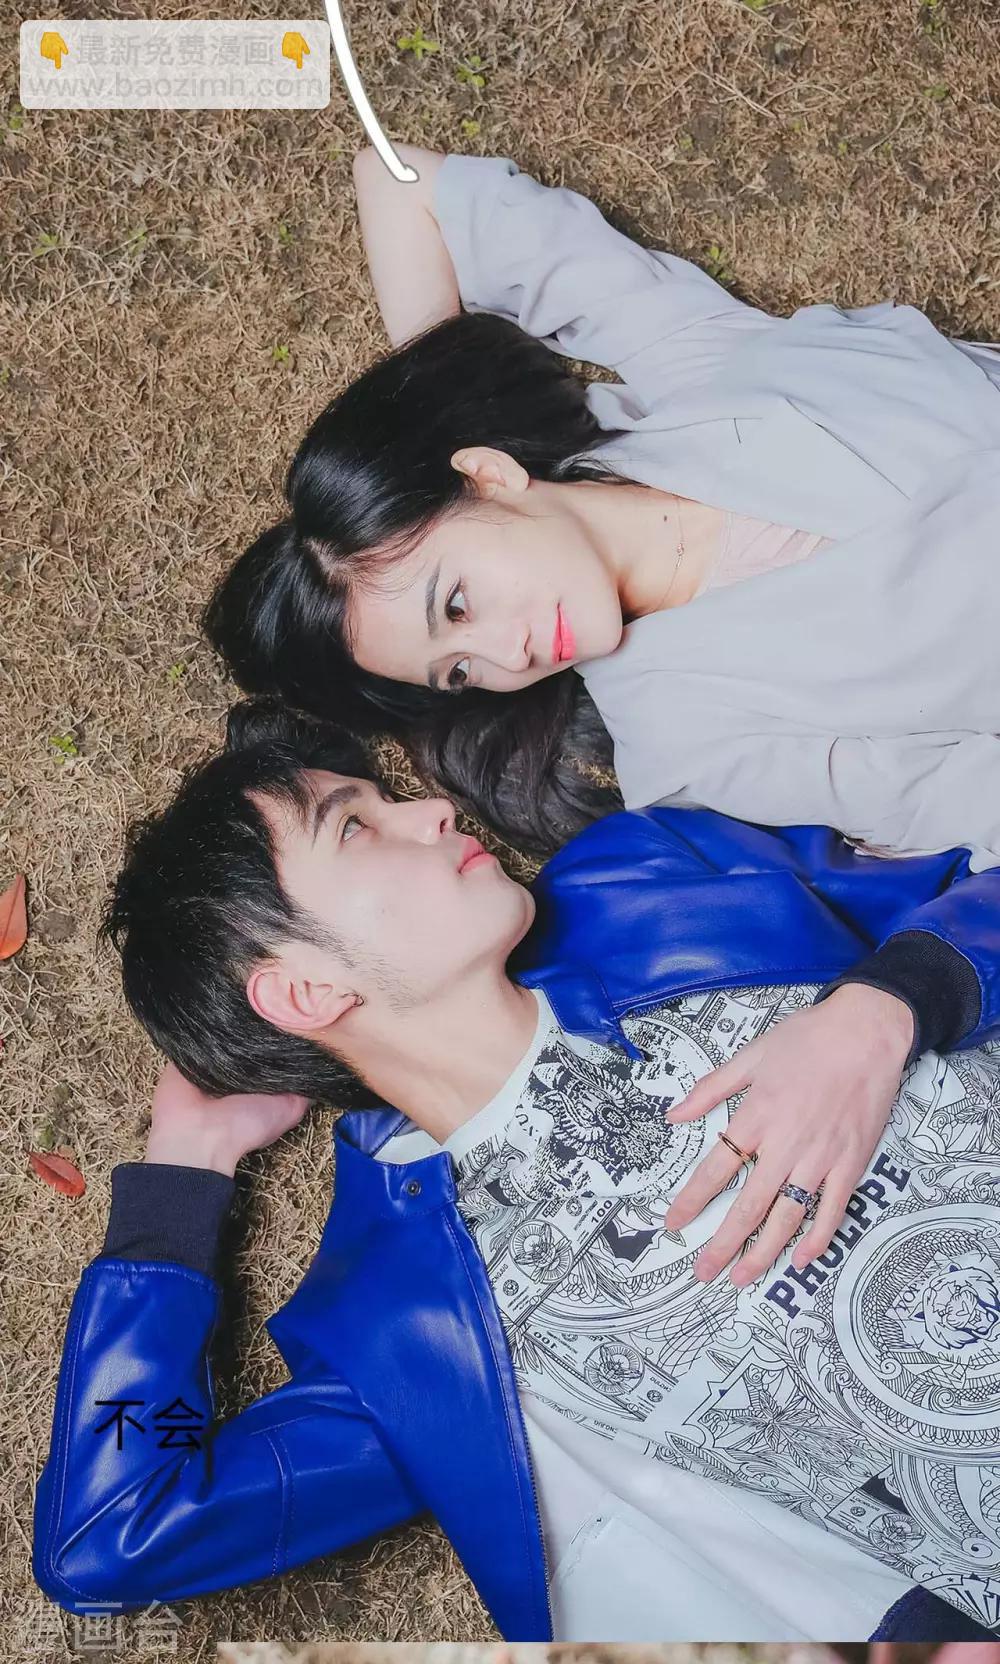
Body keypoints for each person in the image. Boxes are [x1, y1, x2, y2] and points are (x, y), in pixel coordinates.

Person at [32, 699, 1000, 1642]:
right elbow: (113, 1537)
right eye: (356, 826)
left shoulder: (648, 874)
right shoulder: (409, 1322)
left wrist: (889, 1006)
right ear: (305, 990)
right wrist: (181, 1179)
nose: (429, 810)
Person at [203, 142, 1000, 871]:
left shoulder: (686, 368)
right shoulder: (687, 745)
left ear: (489, 476)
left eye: (456, 603)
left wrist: (437, 405)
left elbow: (398, 181)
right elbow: (961, 801)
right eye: (459, 672)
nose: (507, 656)